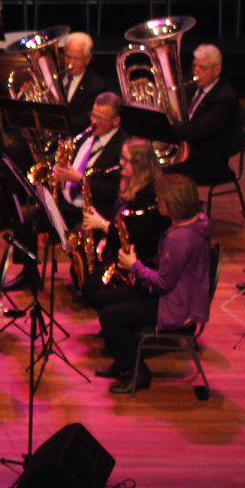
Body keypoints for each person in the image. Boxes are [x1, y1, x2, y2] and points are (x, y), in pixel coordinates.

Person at [96, 173, 214, 393]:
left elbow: (163, 282)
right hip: (175, 296)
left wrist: (134, 265)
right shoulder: (192, 223)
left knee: (110, 317)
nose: (157, 201)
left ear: (174, 203)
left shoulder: (181, 238)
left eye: (161, 199)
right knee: (105, 298)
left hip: (175, 307)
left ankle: (138, 371)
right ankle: (123, 361)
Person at [77, 139, 168, 310]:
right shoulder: (130, 184)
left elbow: (133, 236)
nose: (120, 163)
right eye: (121, 157)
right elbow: (120, 221)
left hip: (138, 260)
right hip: (120, 252)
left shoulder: (148, 195)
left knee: (93, 290)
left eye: (125, 160)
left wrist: (103, 225)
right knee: (84, 281)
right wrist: (105, 240)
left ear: (139, 165)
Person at [168, 44, 245, 188]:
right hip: (190, 153)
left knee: (158, 171)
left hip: (208, 163)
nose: (196, 72)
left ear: (217, 69)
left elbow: (198, 131)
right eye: (194, 66)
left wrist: (165, 129)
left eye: (202, 68)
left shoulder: (225, 97)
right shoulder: (192, 86)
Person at [50, 92, 128, 225]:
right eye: (93, 115)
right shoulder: (86, 133)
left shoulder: (122, 147)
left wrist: (80, 180)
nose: (94, 121)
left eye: (100, 118)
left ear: (116, 121)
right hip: (66, 206)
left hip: (91, 215)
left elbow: (115, 191)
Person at [58, 32, 113, 118]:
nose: (70, 63)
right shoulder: (57, 76)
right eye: (68, 57)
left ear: (87, 60)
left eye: (76, 58)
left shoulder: (96, 87)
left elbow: (87, 119)